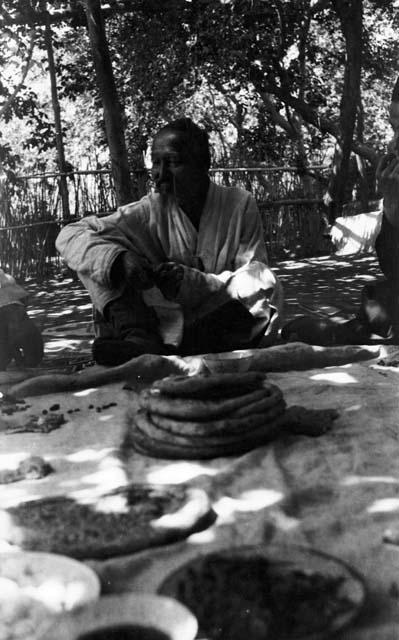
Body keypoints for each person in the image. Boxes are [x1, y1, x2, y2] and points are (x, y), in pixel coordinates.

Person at [56, 118, 283, 366]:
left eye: (173, 162)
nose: (160, 174)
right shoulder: (148, 210)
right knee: (97, 257)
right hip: (162, 321)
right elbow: (70, 235)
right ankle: (139, 337)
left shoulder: (239, 204)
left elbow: (250, 279)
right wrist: (118, 260)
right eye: (155, 162)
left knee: (261, 277)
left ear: (204, 164)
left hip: (218, 318)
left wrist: (193, 283)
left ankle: (173, 348)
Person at [0, 269, 43, 370]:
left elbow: (7, 340)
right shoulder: (17, 305)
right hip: (30, 342)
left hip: (22, 338)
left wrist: (18, 360)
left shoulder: (8, 311)